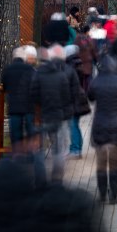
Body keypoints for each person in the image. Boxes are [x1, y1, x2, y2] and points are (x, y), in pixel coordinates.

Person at [88, 55, 117, 204]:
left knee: (101, 162)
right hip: (116, 125)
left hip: (100, 124)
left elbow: (90, 98)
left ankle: (102, 194)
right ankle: (114, 196)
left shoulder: (95, 82)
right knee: (114, 162)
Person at [30, 45, 71, 185]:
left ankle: (40, 179)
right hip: (56, 116)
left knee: (39, 149)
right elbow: (67, 97)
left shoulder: (37, 76)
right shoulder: (61, 76)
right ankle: (57, 179)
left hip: (41, 117)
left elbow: (33, 96)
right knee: (57, 149)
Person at [1, 46, 36, 149]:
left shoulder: (7, 70)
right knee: (30, 131)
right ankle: (30, 156)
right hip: (28, 106)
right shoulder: (30, 69)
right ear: (24, 58)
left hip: (14, 106)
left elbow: (5, 86)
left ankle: (17, 155)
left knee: (15, 133)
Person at [64, 44, 91, 159]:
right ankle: (76, 148)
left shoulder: (70, 66)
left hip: (73, 100)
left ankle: (75, 149)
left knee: (72, 124)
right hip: (78, 99)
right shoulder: (78, 63)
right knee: (75, 124)